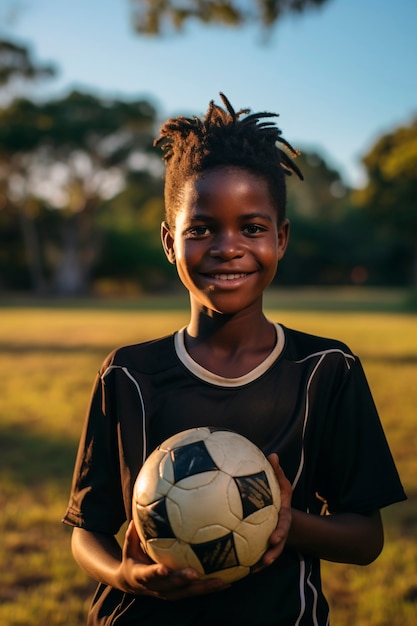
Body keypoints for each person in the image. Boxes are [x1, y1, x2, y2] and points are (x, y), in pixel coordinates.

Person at [63, 93, 406, 625]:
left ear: (281, 238)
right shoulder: (128, 374)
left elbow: (365, 539)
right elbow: (88, 529)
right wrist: (126, 576)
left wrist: (284, 519)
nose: (228, 247)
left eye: (252, 227)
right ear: (169, 242)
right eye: (200, 229)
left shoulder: (325, 370)